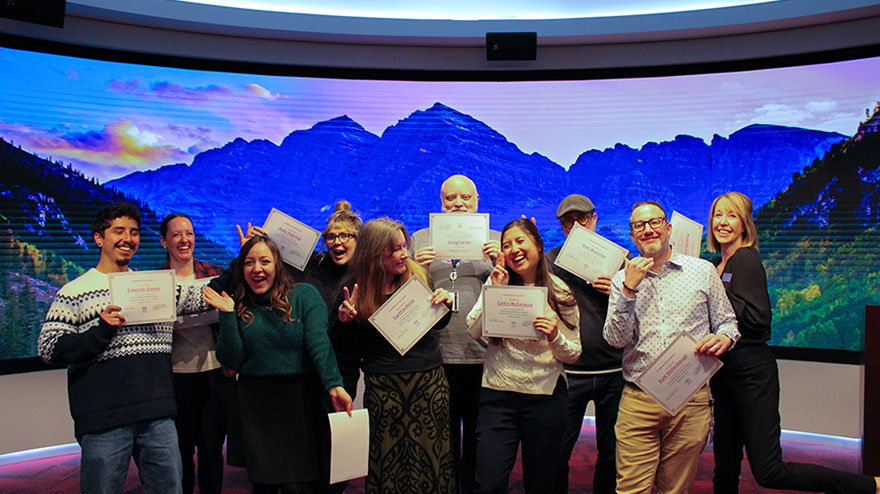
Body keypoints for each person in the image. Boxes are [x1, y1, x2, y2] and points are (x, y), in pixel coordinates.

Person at [707, 192, 880, 494]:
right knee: (725, 465)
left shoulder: (745, 259)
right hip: (724, 376)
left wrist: (716, 294)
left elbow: (759, 320)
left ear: (745, 224)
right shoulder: (716, 263)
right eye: (718, 215)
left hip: (750, 375)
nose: (723, 222)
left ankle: (869, 486)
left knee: (769, 470)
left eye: (731, 215)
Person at [38, 203, 204, 494]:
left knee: (170, 489)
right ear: (99, 238)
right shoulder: (74, 291)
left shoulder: (153, 285)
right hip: (105, 419)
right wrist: (100, 331)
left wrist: (245, 256)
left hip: (157, 414)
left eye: (135, 232)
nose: (128, 238)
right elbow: (49, 347)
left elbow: (201, 295)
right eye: (119, 231)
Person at [603, 200, 739, 494]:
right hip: (639, 400)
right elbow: (615, 339)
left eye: (654, 222)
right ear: (632, 234)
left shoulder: (702, 271)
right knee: (630, 489)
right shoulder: (620, 280)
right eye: (639, 225)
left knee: (675, 489)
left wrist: (724, 338)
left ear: (668, 228)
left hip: (690, 398)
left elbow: (728, 322)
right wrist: (629, 289)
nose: (648, 229)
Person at [202, 235, 352, 494]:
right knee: (263, 486)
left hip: (299, 402)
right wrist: (226, 316)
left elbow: (319, 342)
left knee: (299, 486)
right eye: (249, 262)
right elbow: (232, 359)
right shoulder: (238, 303)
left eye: (264, 261)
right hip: (255, 406)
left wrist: (334, 385)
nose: (257, 269)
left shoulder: (304, 295)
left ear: (278, 265)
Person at [334, 217, 455, 494]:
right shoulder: (354, 287)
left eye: (404, 247)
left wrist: (444, 305)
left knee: (431, 460)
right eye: (396, 249)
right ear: (375, 254)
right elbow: (346, 348)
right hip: (384, 388)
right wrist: (344, 321)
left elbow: (437, 325)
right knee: (387, 460)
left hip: (428, 384)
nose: (404, 254)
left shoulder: (419, 275)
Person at [466, 218, 582, 494]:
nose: (514, 249)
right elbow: (472, 330)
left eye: (520, 241)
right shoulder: (497, 283)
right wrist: (492, 290)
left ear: (538, 247)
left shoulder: (560, 291)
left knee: (541, 483)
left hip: (545, 398)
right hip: (497, 396)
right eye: (506, 245)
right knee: (489, 483)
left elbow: (574, 353)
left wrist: (554, 335)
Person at [411, 174, 501, 494]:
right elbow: (403, 293)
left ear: (477, 201)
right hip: (436, 355)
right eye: (450, 198)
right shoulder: (421, 240)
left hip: (482, 354)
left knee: (479, 436)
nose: (458, 204)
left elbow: (513, 288)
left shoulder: (496, 239)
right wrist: (415, 266)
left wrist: (498, 263)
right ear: (441, 202)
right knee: (441, 435)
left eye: (465, 198)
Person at [546, 194, 624, 494]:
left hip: (613, 370)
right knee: (558, 452)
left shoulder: (619, 261)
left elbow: (638, 309)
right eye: (568, 221)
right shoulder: (549, 261)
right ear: (562, 226)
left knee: (611, 453)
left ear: (594, 219)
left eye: (582, 218)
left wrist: (617, 291)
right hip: (570, 373)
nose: (575, 225)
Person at [158, 212, 230, 494]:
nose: (184, 240)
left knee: (212, 449)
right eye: (176, 234)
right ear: (164, 241)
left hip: (215, 373)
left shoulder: (215, 275)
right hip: (176, 377)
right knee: (181, 450)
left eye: (189, 233)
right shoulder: (156, 283)